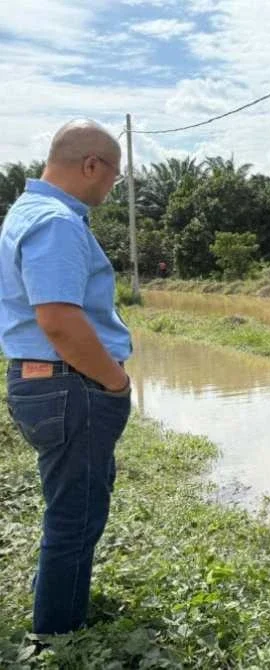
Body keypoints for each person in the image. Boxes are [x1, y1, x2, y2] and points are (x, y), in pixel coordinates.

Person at [0, 120, 133, 635]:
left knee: (74, 505)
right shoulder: (56, 222)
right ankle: (59, 634)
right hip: (69, 385)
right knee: (74, 517)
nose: (109, 188)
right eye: (113, 178)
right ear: (92, 165)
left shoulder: (25, 212)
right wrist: (114, 383)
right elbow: (58, 319)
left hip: (47, 383)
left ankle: (60, 613)